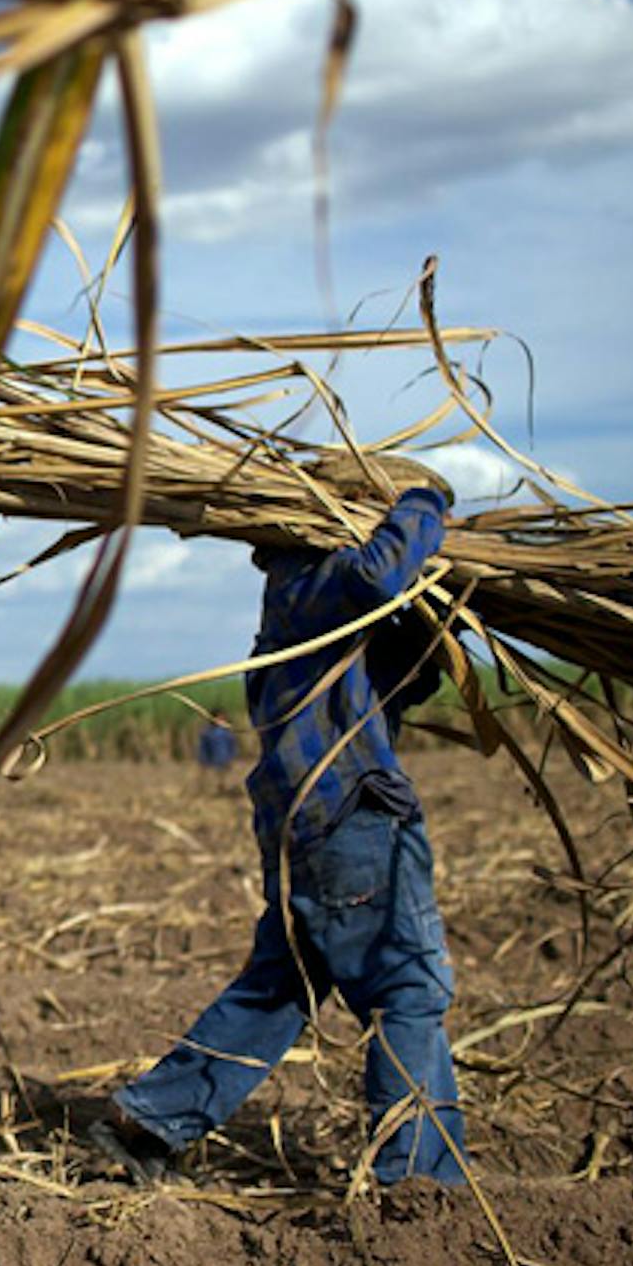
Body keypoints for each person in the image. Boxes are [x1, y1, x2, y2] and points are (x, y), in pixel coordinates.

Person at [95, 456, 467, 1189]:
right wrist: (425, 504)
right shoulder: (311, 583)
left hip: (320, 830)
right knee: (409, 986)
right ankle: (417, 1183)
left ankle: (149, 1121)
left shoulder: (312, 615)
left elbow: (409, 669)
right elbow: (375, 577)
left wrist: (446, 601)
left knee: (283, 984)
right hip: (350, 826)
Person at [195, 709, 237, 794]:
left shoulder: (227, 733)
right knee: (211, 775)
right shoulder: (207, 733)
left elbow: (232, 745)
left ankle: (222, 788)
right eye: (219, 718)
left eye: (222, 718)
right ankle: (205, 789)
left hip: (224, 757)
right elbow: (204, 747)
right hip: (212, 758)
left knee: (223, 775)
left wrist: (232, 756)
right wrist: (203, 759)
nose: (221, 720)